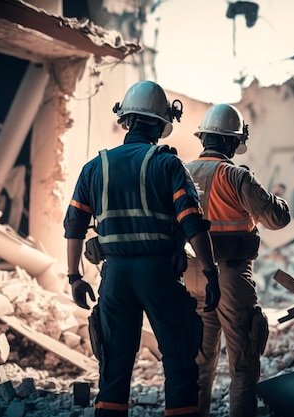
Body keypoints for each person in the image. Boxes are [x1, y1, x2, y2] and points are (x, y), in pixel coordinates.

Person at [63, 80, 221, 417]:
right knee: (179, 358)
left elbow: (74, 225)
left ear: (127, 119)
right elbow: (193, 224)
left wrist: (74, 277)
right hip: (159, 274)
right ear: (162, 123)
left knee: (114, 366)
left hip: (115, 277)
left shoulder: (95, 167)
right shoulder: (167, 164)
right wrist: (210, 272)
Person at [182, 103, 291, 417]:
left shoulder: (183, 171)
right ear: (232, 142)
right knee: (243, 364)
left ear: (204, 137)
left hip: (191, 274)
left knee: (200, 363)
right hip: (230, 276)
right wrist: (276, 196)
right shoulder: (234, 175)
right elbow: (276, 218)